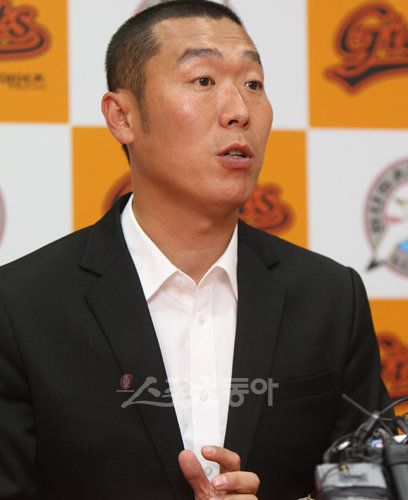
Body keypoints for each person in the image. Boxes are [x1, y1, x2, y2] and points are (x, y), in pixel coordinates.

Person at [0, 1, 391, 499]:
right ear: (122, 116)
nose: (239, 110)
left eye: (253, 84)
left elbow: (375, 485)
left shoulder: (331, 298)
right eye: (203, 81)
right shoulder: (20, 306)